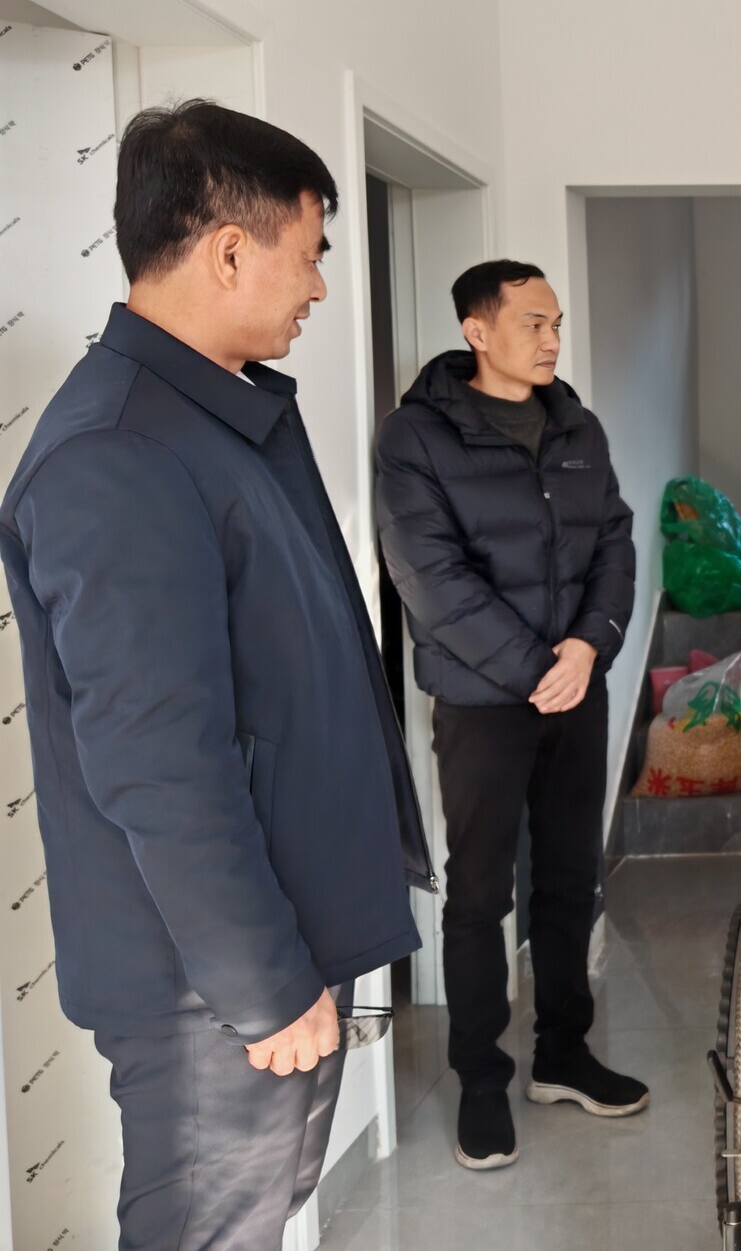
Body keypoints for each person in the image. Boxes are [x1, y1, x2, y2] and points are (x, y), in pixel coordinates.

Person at [0, 100, 431, 1249]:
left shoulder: (211, 420)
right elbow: (159, 762)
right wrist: (263, 982)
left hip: (270, 947)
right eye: (312, 254)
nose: (321, 287)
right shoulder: (119, 452)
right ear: (231, 251)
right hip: (211, 987)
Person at [375, 260, 641, 1172]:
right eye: (533, 322)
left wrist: (589, 649)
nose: (552, 339)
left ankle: (563, 1055)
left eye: (555, 322)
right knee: (482, 892)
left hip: (576, 688)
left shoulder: (576, 425)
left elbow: (615, 542)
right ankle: (481, 1083)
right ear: (477, 331)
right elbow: (431, 578)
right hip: (484, 702)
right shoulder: (415, 436)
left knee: (570, 879)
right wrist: (540, 671)